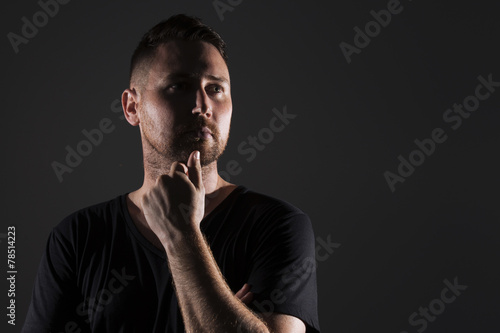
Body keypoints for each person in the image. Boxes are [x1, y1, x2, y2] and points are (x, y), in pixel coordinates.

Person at [22, 14, 320, 333]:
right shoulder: (77, 238)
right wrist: (227, 316)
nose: (202, 105)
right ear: (132, 107)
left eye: (216, 88)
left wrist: (181, 235)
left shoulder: (277, 226)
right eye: (179, 86)